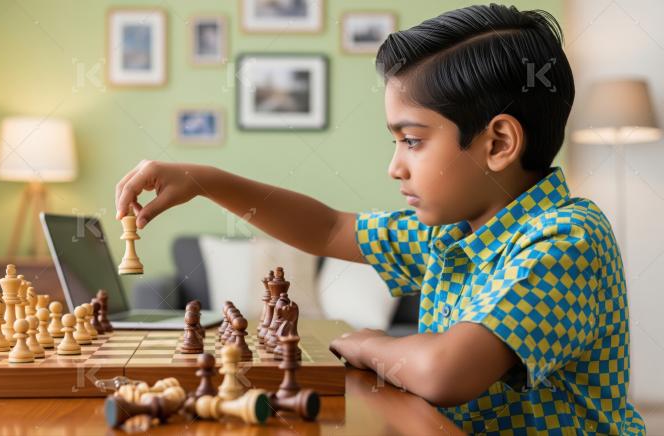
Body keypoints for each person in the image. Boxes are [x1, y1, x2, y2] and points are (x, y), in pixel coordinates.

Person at [114, 4, 644, 434]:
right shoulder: (455, 229)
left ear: (499, 142)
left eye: (412, 141)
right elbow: (327, 229)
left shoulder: (567, 238)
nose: (395, 167)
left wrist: (366, 342)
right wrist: (207, 181)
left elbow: (445, 372)